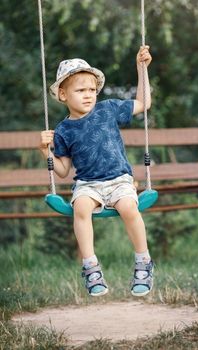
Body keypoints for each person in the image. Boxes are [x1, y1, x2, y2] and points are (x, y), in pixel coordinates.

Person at [40, 46, 154, 297]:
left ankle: (143, 262)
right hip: (88, 184)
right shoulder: (63, 130)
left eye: (92, 89)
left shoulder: (108, 109)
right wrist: (46, 151)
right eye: (80, 90)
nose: (88, 95)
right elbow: (62, 170)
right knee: (80, 208)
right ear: (62, 95)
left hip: (119, 180)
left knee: (128, 207)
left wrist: (141, 68)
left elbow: (144, 103)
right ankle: (91, 268)